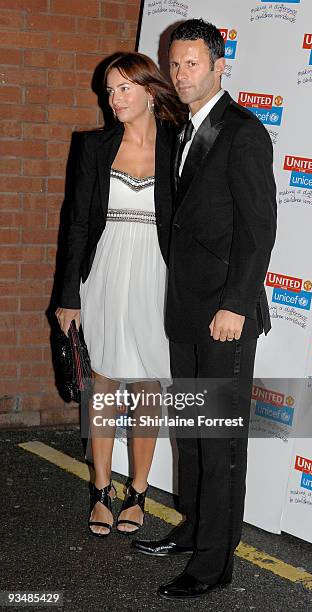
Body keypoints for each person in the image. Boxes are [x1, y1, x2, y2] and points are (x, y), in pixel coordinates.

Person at [132, 19, 277, 600]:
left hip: (225, 315)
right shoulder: (178, 128)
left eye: (193, 63)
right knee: (192, 432)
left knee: (218, 440)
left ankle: (215, 561)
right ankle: (193, 528)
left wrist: (236, 304)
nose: (181, 74)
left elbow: (258, 230)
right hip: (185, 308)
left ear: (220, 66)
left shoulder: (242, 132)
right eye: (175, 63)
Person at [55, 52, 185, 538]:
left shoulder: (178, 146)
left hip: (157, 272)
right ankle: (101, 490)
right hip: (106, 271)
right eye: (110, 91)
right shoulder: (94, 147)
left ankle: (139, 491)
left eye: (125, 88)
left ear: (151, 91)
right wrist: (70, 295)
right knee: (106, 380)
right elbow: (78, 225)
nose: (115, 99)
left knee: (149, 382)